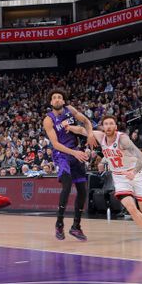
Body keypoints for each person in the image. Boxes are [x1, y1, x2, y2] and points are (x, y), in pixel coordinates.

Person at [92, 115, 142, 243]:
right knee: (131, 207)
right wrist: (65, 126)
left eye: (111, 123)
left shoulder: (123, 139)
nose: (108, 126)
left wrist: (133, 172)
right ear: (102, 127)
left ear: (115, 126)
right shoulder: (99, 136)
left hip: (136, 173)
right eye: (106, 124)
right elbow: (83, 129)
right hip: (119, 176)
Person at [43, 88, 97, 241]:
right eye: (54, 98)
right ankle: (59, 223)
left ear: (64, 101)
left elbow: (86, 122)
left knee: (82, 191)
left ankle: (76, 227)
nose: (57, 99)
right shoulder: (48, 119)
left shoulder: (70, 110)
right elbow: (55, 144)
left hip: (75, 152)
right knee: (66, 187)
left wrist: (90, 133)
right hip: (62, 155)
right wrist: (74, 153)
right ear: (51, 102)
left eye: (60, 97)